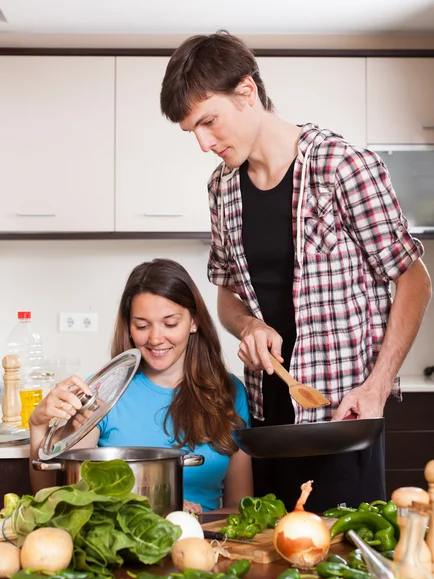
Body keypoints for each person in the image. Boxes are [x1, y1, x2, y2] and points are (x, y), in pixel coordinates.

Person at [160, 32, 432, 512]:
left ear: (247, 92)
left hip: (343, 418)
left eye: (208, 122)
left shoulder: (342, 166)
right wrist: (247, 325)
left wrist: (377, 386)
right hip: (270, 423)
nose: (203, 143)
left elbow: (413, 278)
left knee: (344, 570)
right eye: (192, 133)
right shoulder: (222, 188)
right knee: (269, 566)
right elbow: (226, 295)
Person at [29, 258, 253, 513]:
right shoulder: (103, 394)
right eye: (142, 326)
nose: (156, 338)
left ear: (194, 322)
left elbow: (239, 506)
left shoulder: (230, 393)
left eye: (170, 323)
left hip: (204, 545)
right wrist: (38, 426)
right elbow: (52, 498)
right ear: (129, 327)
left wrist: (193, 517)